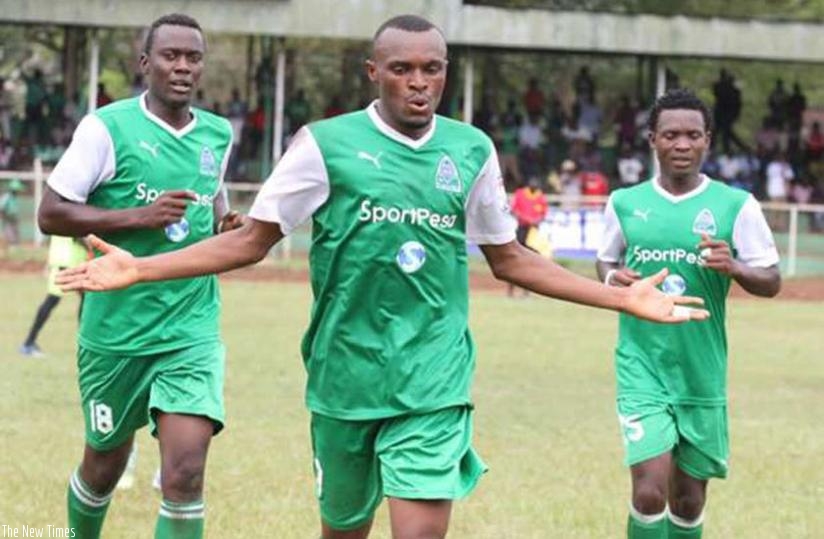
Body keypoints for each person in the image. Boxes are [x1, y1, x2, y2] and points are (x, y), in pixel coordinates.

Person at [58, 15, 708, 539]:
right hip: (344, 378)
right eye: (402, 69)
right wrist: (140, 265)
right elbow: (249, 242)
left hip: (434, 378)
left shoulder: (470, 150)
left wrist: (619, 298)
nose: (419, 82)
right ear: (375, 74)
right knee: (343, 525)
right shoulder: (323, 145)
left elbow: (510, 258)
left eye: (432, 69)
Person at [37, 13, 241, 539]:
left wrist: (226, 223)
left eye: (193, 57)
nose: (183, 66)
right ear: (146, 63)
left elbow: (211, 204)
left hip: (190, 329)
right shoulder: (105, 128)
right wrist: (136, 218)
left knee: (185, 471)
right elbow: (52, 212)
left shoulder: (217, 134)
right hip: (116, 334)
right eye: (171, 55)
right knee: (102, 468)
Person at [596, 88, 781, 539]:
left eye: (692, 135)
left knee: (688, 500)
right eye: (671, 135)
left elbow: (771, 280)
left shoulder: (737, 206)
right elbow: (607, 259)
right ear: (652, 140)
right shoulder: (624, 202)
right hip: (642, 366)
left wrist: (734, 267)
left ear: (708, 141)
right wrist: (613, 279)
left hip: (702, 371)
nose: (682, 144)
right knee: (649, 493)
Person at [19, 235, 90, 357]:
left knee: (83, 300)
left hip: (63, 261)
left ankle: (29, 343)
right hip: (70, 262)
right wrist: (91, 244)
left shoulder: (57, 216)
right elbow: (78, 235)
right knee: (55, 301)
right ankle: (28, 343)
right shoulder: (72, 216)